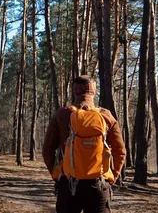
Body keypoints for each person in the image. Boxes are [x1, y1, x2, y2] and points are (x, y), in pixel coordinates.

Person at [42, 75, 126, 213]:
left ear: (75, 91)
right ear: (93, 91)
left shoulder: (62, 115)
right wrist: (112, 177)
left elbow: (47, 150)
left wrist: (57, 174)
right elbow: (120, 151)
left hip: (68, 183)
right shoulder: (106, 116)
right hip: (99, 184)